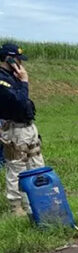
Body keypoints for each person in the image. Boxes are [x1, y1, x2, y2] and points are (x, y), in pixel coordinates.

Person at [0, 43, 45, 216]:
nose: (21, 63)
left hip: (27, 126)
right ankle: (16, 206)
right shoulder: (2, 80)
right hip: (14, 128)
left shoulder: (13, 77)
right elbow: (18, 101)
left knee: (35, 162)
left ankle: (36, 200)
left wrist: (20, 79)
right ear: (8, 58)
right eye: (18, 59)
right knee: (16, 166)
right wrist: (24, 81)